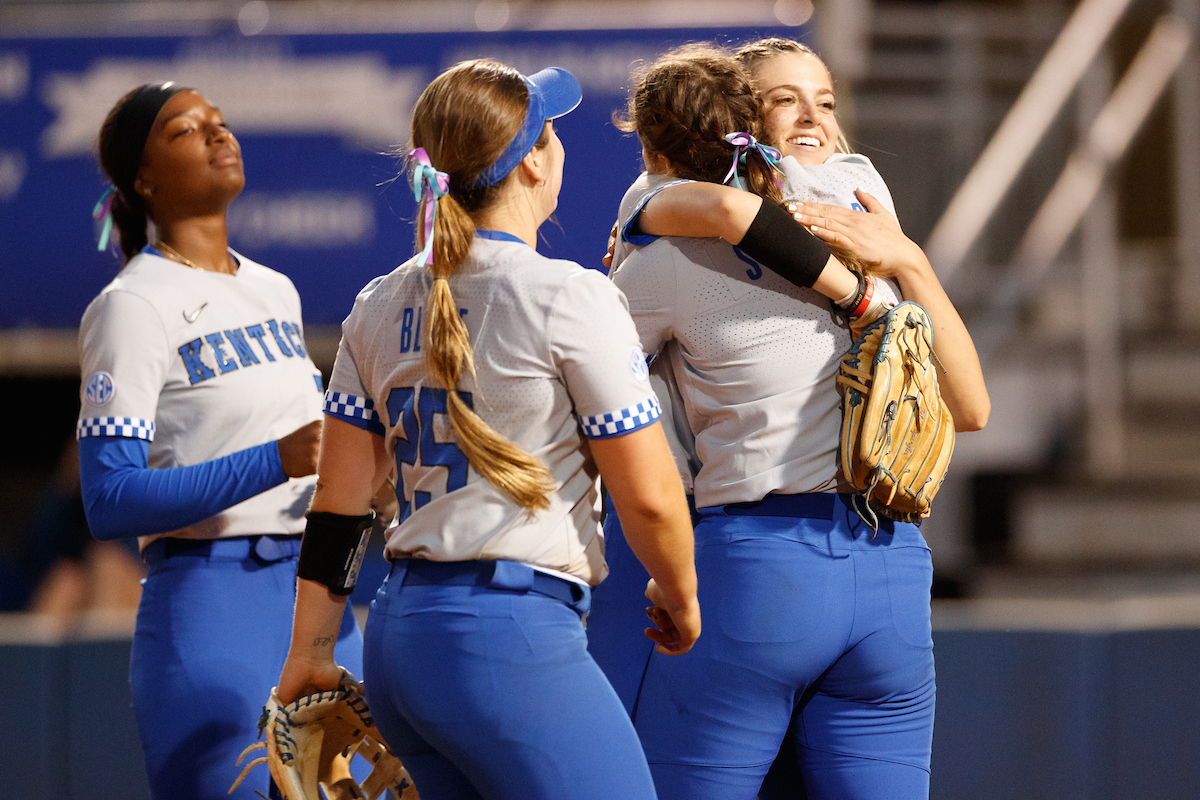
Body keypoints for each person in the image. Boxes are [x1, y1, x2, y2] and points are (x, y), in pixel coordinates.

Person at [274, 59, 701, 800]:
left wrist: (310, 650)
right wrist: (681, 592)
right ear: (534, 158)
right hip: (507, 636)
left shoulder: (378, 300)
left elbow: (339, 507)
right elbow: (653, 496)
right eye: (551, 132)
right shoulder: (568, 293)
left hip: (402, 639)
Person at [596, 42, 990, 800]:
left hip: (756, 569)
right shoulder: (871, 222)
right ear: (742, 118)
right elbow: (971, 410)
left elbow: (581, 398)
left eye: (827, 101)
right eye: (787, 99)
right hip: (891, 575)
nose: (813, 116)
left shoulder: (668, 239)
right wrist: (901, 265)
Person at [78, 82, 364, 800]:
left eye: (221, 123)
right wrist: (277, 458)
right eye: (184, 131)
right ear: (141, 179)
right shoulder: (131, 306)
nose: (217, 135)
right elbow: (109, 498)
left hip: (317, 589)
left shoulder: (276, 291)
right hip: (210, 599)